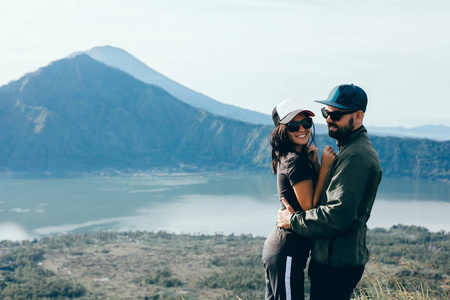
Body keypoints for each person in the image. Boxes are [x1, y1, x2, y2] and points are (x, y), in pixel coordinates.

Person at [277, 84, 382, 300]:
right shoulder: (348, 150)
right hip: (333, 259)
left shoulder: (357, 157)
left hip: (337, 264)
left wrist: (293, 220)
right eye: (326, 113)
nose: (328, 119)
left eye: (336, 115)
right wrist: (318, 166)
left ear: (359, 116)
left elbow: (337, 215)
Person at [262, 98, 336, 300]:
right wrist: (325, 167)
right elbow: (310, 206)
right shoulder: (295, 162)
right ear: (282, 130)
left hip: (282, 250)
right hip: (287, 250)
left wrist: (314, 164)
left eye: (307, 123)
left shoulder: (290, 157)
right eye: (294, 125)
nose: (302, 129)